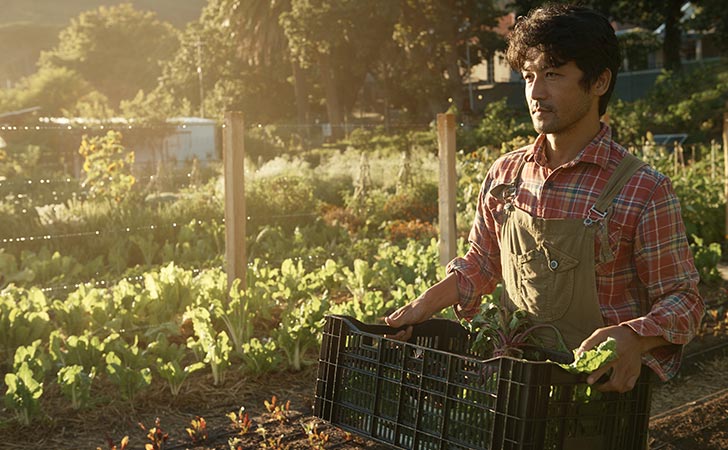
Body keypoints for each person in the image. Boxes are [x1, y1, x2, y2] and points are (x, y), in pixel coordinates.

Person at [385, 3, 704, 394]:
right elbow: (481, 264)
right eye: (529, 75)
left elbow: (684, 303)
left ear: (599, 82)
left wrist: (633, 338)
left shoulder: (642, 189)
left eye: (553, 74)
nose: (536, 92)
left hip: (597, 397)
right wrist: (420, 308)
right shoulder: (506, 175)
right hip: (513, 388)